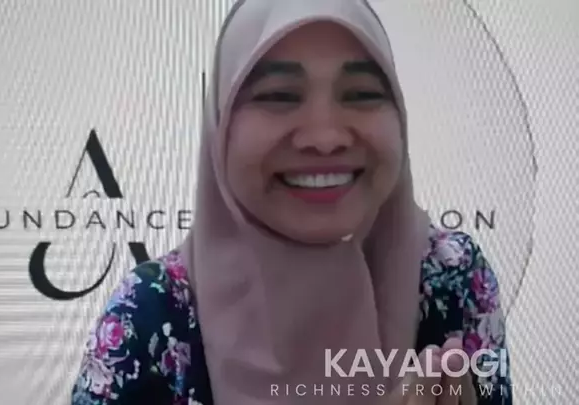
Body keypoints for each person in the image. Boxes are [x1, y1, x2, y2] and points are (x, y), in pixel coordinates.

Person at [70, 0, 512, 403]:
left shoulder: (452, 278)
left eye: (362, 93)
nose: (325, 137)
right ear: (221, 125)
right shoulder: (151, 312)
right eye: (278, 95)